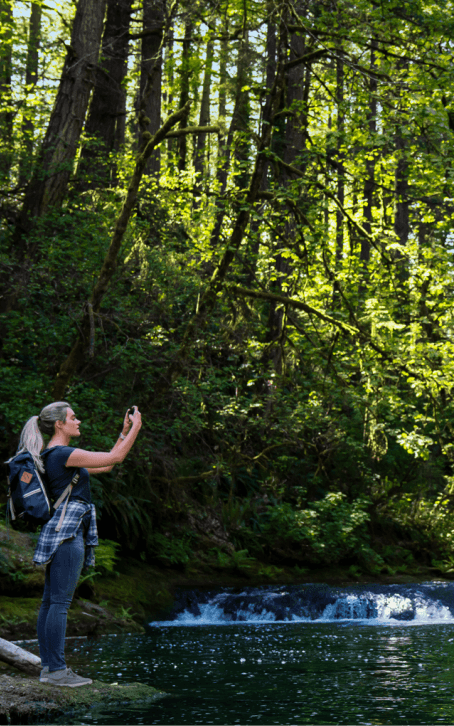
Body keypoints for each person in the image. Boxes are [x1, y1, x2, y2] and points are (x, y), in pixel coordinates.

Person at [17, 401, 142, 688]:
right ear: (59, 424)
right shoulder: (63, 453)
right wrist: (136, 428)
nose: (78, 421)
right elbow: (118, 458)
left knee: (50, 602)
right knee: (59, 603)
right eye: (73, 418)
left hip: (57, 533)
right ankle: (57, 671)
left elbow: (108, 464)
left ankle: (49, 669)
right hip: (68, 535)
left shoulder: (51, 455)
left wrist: (123, 432)